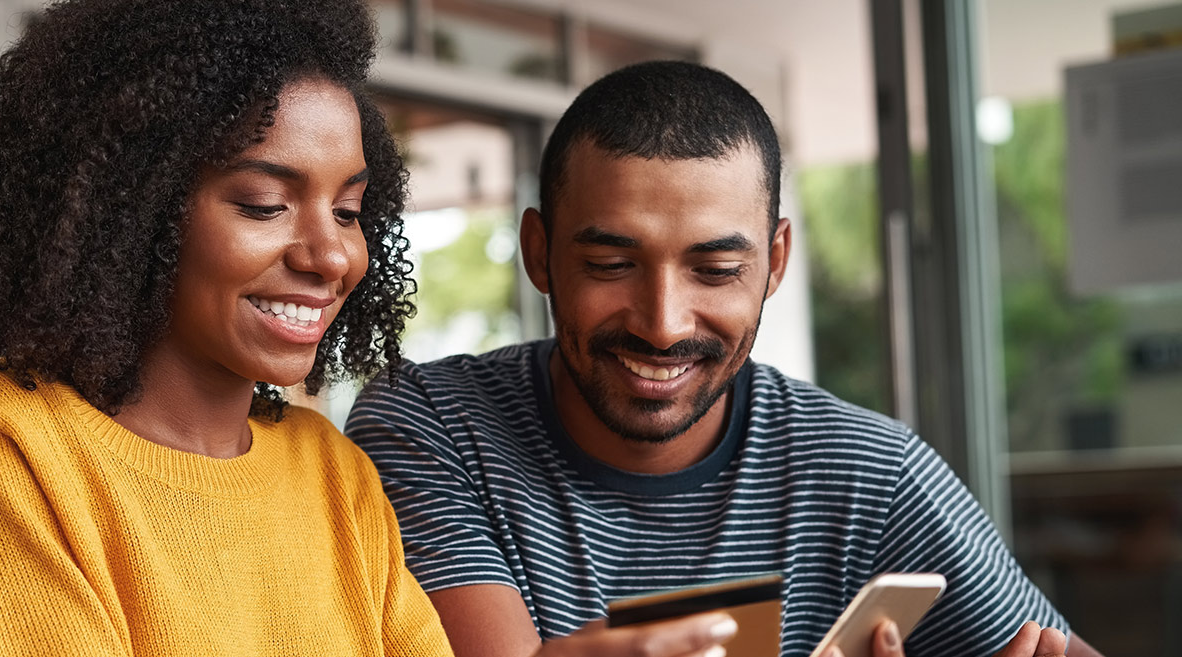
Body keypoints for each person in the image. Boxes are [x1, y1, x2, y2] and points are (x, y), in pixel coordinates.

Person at [0, 3, 748, 656]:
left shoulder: (332, 474)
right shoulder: (4, 443)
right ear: (131, 207)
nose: (330, 253)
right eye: (264, 204)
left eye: (348, 209)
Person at [346, 61, 1099, 657]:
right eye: (611, 263)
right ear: (539, 252)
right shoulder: (432, 426)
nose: (664, 324)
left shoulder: (870, 472)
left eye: (714, 270)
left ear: (774, 262)